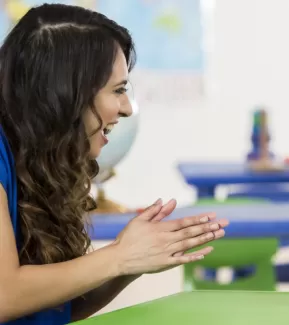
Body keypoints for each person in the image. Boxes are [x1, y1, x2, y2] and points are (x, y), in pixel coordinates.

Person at [0, 4, 228, 324]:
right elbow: (5, 296)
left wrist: (132, 262)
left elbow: (49, 308)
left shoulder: (39, 163)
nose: (127, 108)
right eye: (118, 90)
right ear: (67, 93)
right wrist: (120, 257)